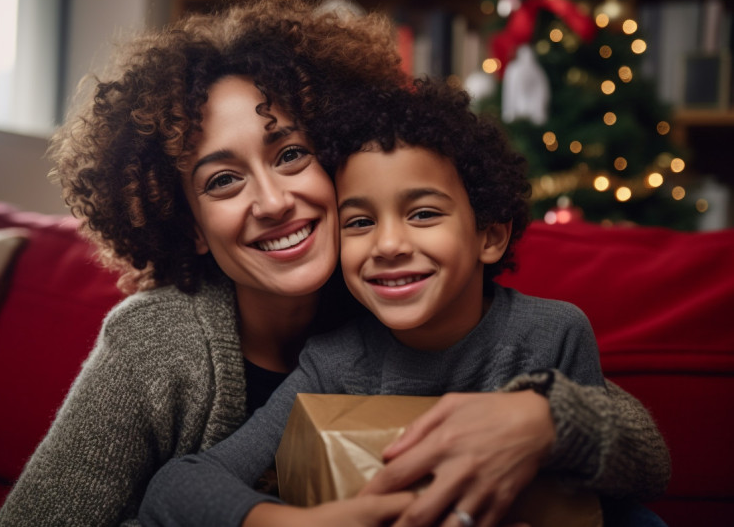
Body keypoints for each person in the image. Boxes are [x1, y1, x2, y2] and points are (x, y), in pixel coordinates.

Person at [0, 0, 667, 527]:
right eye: (223, 180)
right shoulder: (161, 342)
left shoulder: (391, 296)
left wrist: (542, 417)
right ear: (191, 225)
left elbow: (632, 449)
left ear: (336, 163)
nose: (273, 200)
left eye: (290, 153)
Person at [137, 79, 670, 527]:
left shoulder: (550, 334)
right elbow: (178, 483)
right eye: (360, 223)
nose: (389, 245)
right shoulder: (334, 362)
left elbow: (636, 473)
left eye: (423, 214)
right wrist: (284, 522)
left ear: (489, 236)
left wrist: (551, 421)